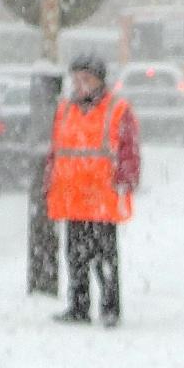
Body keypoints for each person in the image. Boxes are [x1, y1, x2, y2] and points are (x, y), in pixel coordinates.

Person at [45, 54, 140, 327]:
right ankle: (78, 306)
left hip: (102, 195)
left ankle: (110, 308)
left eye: (86, 79)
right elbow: (56, 150)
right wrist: (49, 180)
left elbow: (128, 149)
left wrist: (127, 177)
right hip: (72, 195)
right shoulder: (64, 110)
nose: (80, 85)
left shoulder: (117, 109)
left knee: (103, 256)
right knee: (75, 256)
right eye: (75, 80)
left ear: (100, 81)